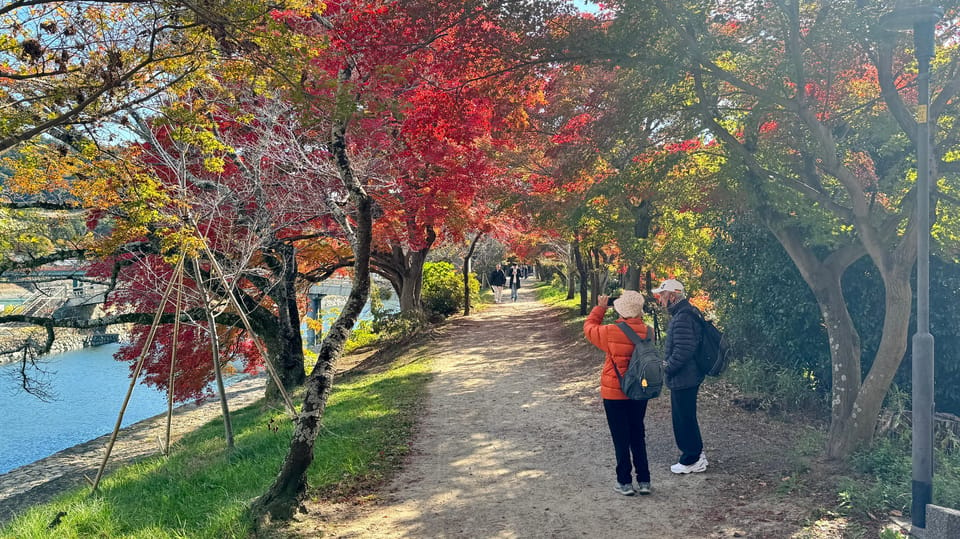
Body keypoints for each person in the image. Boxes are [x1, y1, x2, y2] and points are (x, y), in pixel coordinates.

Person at [583, 290, 653, 496]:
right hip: (640, 391)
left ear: (620, 310)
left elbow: (588, 328)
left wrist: (600, 308)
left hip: (615, 392)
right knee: (637, 434)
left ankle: (624, 482)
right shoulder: (649, 332)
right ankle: (644, 480)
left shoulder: (612, 331)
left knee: (620, 437)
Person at [652, 278, 708, 474]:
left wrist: (668, 366)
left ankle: (692, 458)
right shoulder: (685, 313)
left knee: (684, 418)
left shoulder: (683, 316)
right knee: (685, 417)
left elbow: (685, 349)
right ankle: (695, 455)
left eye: (662, 295)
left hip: (684, 377)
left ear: (673, 296)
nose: (660, 299)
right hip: (687, 376)